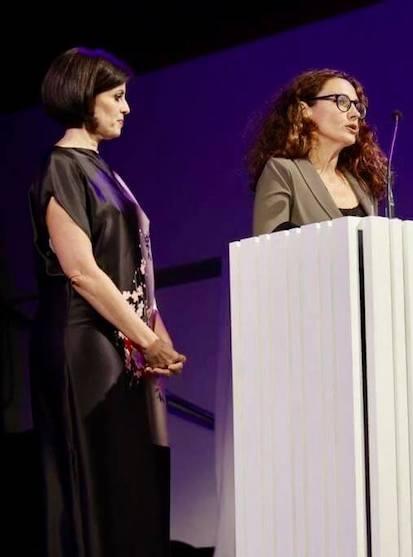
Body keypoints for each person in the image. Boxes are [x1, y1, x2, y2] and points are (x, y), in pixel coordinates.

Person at [28, 47, 186, 557]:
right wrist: (144, 338)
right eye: (116, 97)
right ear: (83, 97)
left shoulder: (103, 170)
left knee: (135, 479)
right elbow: (82, 273)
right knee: (99, 474)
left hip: (123, 342)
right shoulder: (62, 167)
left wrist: (156, 328)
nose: (126, 107)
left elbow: (134, 261)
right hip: (85, 345)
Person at [248, 68, 388, 235]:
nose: (355, 113)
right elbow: (268, 247)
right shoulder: (283, 172)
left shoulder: (362, 184)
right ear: (304, 111)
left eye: (357, 106)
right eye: (342, 102)